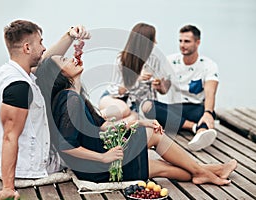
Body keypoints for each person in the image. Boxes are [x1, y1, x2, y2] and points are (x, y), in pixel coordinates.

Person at [43, 51, 237, 186]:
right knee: (161, 162)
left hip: (104, 154)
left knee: (159, 156)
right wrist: (103, 157)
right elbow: (66, 146)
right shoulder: (69, 99)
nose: (71, 59)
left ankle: (204, 172)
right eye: (64, 60)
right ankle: (208, 171)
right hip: (99, 166)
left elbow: (103, 125)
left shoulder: (75, 95)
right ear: (59, 73)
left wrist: (139, 122)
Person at [0, 19, 90, 200]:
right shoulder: (19, 86)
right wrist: (8, 187)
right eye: (40, 42)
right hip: (28, 168)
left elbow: (47, 62)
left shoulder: (12, 70)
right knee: (91, 148)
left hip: (22, 161)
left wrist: (70, 35)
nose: (44, 48)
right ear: (27, 48)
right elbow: (9, 136)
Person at [142, 25, 219, 151]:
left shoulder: (208, 65)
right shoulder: (171, 61)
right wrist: (160, 86)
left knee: (205, 112)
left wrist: (208, 112)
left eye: (187, 41)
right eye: (180, 41)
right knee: (147, 106)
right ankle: (196, 128)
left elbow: (210, 93)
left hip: (195, 108)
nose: (182, 45)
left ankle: (201, 129)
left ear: (197, 42)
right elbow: (164, 90)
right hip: (174, 109)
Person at [98, 22, 172, 122]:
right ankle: (92, 120)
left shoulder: (154, 61)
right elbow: (117, 91)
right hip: (114, 98)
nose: (155, 42)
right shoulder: (122, 59)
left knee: (133, 119)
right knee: (124, 110)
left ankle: (104, 132)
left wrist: (160, 86)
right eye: (153, 40)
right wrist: (136, 78)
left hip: (135, 106)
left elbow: (161, 91)